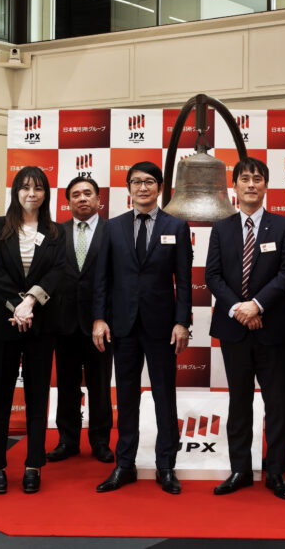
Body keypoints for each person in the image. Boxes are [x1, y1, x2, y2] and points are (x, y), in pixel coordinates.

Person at [93, 161, 192, 495]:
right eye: (136, 182)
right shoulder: (113, 227)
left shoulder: (176, 226)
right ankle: (125, 464)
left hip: (162, 326)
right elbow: (102, 278)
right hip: (122, 325)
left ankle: (166, 466)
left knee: (165, 395)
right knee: (126, 396)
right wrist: (99, 318)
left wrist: (182, 322)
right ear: (128, 188)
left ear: (160, 187)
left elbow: (184, 280)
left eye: (149, 181)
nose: (143, 187)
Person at [206, 157, 285, 500]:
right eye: (244, 179)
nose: (251, 184)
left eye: (257, 179)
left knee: (277, 404)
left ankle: (275, 472)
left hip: (274, 329)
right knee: (239, 402)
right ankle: (240, 470)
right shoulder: (222, 228)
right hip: (235, 330)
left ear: (266, 186)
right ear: (234, 186)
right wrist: (239, 309)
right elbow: (212, 275)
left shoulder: (283, 226)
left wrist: (257, 305)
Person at [0, 166, 66, 494]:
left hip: (40, 323)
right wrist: (17, 306)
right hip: (2, 324)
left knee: (37, 396)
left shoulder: (56, 231)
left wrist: (30, 302)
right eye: (25, 187)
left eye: (38, 188)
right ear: (16, 192)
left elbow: (58, 272)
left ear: (45, 194)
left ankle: (33, 464)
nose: (31, 194)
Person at [47, 177, 115, 464]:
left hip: (101, 323)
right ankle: (67, 440)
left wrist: (105, 317)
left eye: (88, 193)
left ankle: (100, 441)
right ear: (68, 202)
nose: (82, 198)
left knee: (100, 385)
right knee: (67, 384)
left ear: (98, 199)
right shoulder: (55, 233)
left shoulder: (113, 231)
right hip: (64, 323)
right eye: (76, 195)